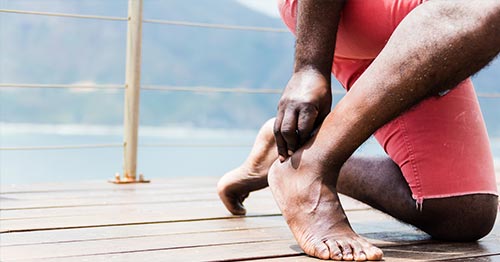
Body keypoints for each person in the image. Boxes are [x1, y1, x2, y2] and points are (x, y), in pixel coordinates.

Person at [218, 0, 500, 260]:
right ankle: (310, 168)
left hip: (430, 22)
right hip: (329, 12)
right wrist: (309, 66)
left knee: (462, 210)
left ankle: (297, 154)